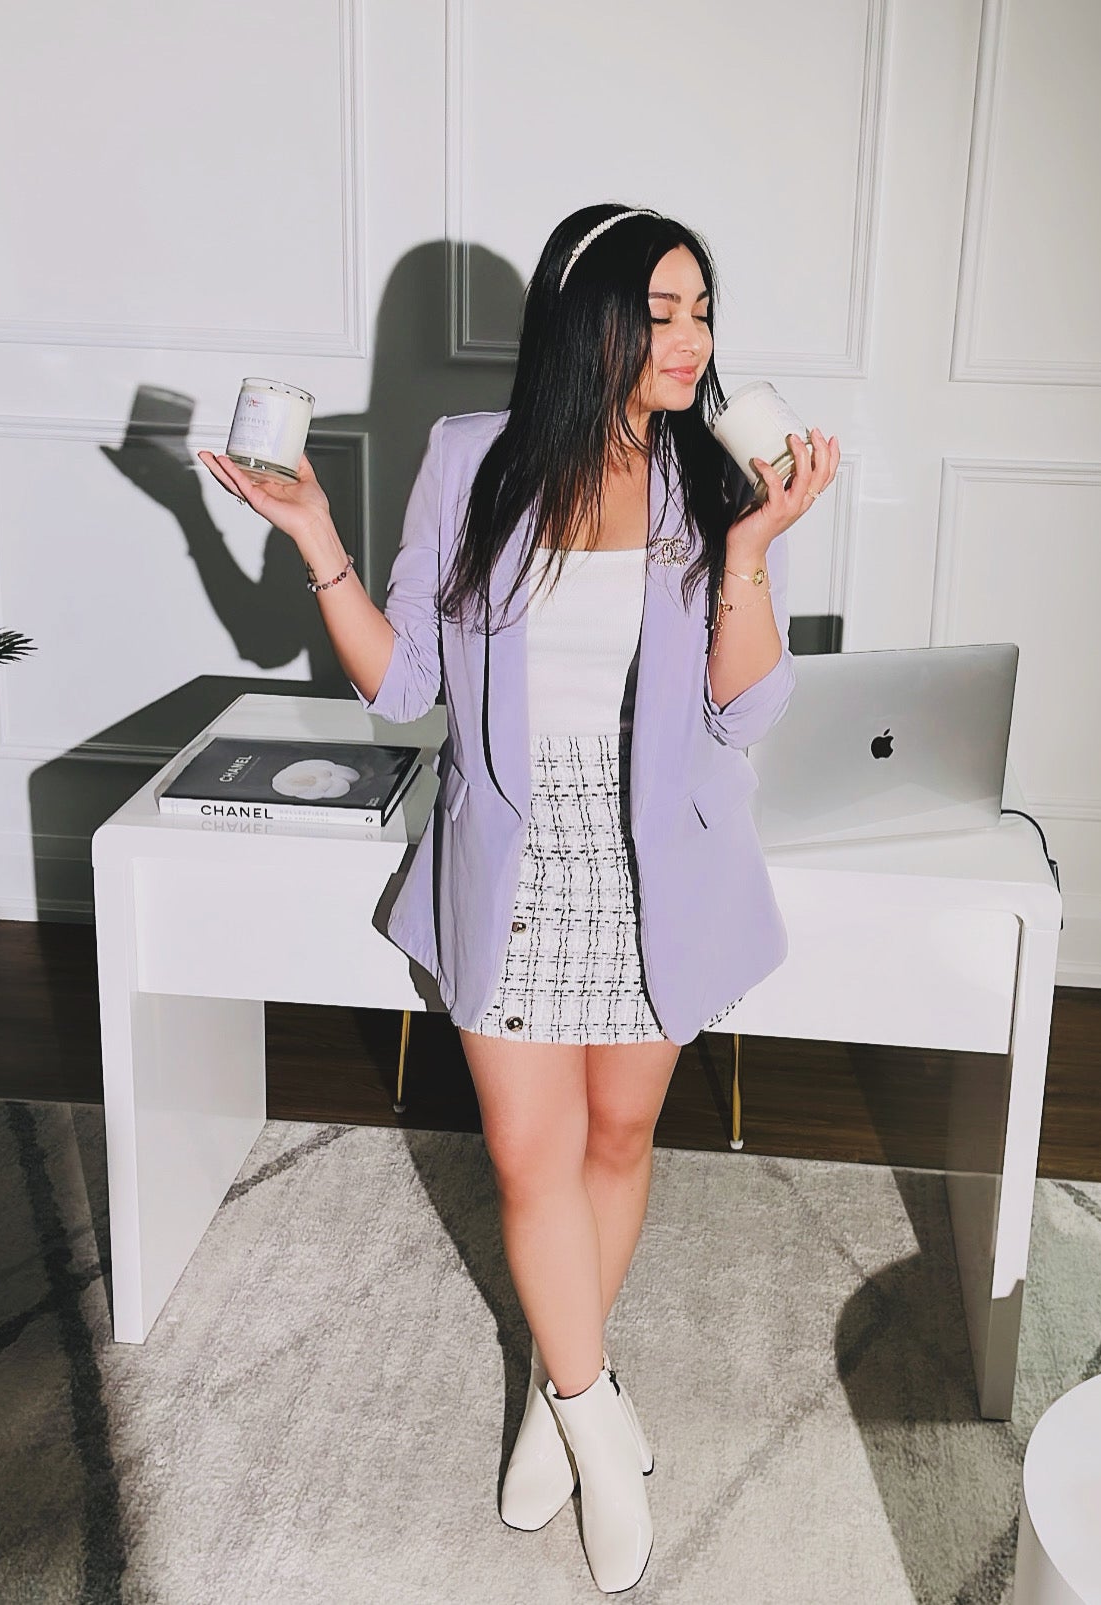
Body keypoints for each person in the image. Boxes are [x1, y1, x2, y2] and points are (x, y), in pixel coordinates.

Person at [199, 202, 838, 1595]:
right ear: (585, 319)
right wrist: (315, 533)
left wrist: (751, 548)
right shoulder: (469, 461)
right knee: (527, 1155)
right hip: (515, 859)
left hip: (659, 862)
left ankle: (559, 1379)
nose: (690, 341)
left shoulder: (718, 478)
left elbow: (745, 710)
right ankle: (598, 1424)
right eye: (659, 314)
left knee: (618, 1137)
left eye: (702, 312)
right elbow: (403, 684)